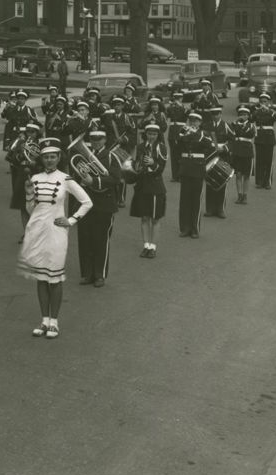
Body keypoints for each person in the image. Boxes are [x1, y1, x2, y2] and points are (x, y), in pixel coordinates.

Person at [16, 142, 92, 339]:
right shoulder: (34, 178)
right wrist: (29, 193)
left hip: (56, 231)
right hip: (36, 230)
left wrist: (71, 220)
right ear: (41, 159)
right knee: (41, 277)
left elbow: (86, 202)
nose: (49, 160)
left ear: (59, 158)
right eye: (46, 157)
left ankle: (54, 322)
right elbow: (31, 210)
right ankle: (44, 320)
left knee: (55, 277)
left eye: (53, 156)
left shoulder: (65, 179)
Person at [75, 129, 122, 287]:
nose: (96, 141)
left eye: (99, 139)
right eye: (93, 139)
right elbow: (76, 175)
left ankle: (99, 275)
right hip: (85, 204)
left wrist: (94, 182)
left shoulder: (111, 156)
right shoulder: (83, 157)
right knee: (85, 239)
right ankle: (87, 274)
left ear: (105, 139)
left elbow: (115, 178)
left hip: (104, 204)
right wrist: (81, 181)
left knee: (101, 240)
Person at [131, 124, 168, 258]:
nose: (151, 136)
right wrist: (133, 167)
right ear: (146, 134)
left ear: (158, 135)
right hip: (142, 185)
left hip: (155, 186)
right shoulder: (141, 147)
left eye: (154, 134)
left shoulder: (161, 148)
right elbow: (136, 165)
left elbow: (161, 169)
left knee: (155, 218)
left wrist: (153, 163)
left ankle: (153, 247)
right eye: (149, 134)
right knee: (144, 217)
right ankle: (146, 245)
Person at [177, 112, 214, 238]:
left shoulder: (204, 134)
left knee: (196, 199)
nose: (193, 123)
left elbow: (210, 146)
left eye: (196, 121)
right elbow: (178, 144)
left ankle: (194, 228)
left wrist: (196, 135)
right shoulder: (183, 131)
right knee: (184, 199)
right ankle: (185, 227)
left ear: (200, 122)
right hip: (186, 166)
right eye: (191, 120)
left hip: (197, 168)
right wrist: (187, 134)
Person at [7, 122, 42, 230]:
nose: (30, 134)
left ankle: (35, 231)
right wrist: (21, 154)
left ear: (37, 133)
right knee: (23, 205)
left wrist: (36, 163)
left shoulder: (41, 144)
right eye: (28, 131)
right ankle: (26, 232)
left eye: (33, 132)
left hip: (36, 173)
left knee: (36, 205)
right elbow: (12, 160)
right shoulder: (21, 143)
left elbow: (44, 162)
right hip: (22, 173)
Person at [203, 106, 232, 219]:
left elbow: (233, 141)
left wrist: (225, 148)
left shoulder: (226, 126)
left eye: (217, 114)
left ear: (220, 114)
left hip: (222, 156)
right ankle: (209, 209)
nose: (215, 116)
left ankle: (220, 209)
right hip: (210, 156)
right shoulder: (206, 126)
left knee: (222, 181)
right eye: (213, 114)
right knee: (210, 182)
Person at [252, 92, 276, 189]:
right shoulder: (256, 112)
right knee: (259, 160)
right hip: (259, 137)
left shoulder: (271, 112)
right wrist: (257, 110)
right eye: (261, 102)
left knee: (268, 160)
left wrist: (268, 110)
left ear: (268, 102)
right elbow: (251, 119)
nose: (263, 103)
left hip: (269, 138)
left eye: (265, 102)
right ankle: (259, 182)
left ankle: (267, 182)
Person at [230, 105, 256, 205]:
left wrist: (239, 126)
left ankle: (245, 195)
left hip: (247, 152)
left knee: (246, 175)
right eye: (241, 114)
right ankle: (239, 195)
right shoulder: (234, 124)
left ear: (248, 116)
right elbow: (231, 133)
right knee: (238, 174)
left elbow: (250, 134)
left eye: (245, 115)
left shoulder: (251, 125)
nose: (243, 116)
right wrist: (236, 123)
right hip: (237, 151)